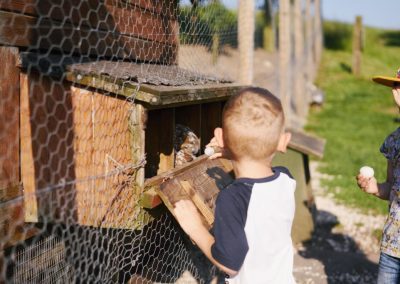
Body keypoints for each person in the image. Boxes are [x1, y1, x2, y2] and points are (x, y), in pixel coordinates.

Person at [174, 87, 295, 283]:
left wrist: (195, 227)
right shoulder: (287, 180)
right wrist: (235, 151)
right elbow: (261, 167)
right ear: (284, 142)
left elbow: (229, 263)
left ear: (220, 137)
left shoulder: (232, 198)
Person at [356, 84, 400, 283]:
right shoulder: (393, 140)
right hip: (393, 244)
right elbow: (392, 186)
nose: (396, 91)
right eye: (396, 86)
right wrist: (374, 188)